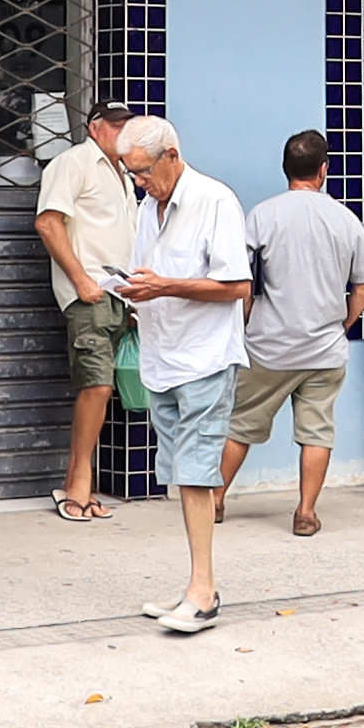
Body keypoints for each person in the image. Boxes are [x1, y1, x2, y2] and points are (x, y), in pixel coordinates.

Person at [108, 118, 248, 634]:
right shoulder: (148, 208)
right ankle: (195, 586)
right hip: (162, 357)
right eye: (131, 174)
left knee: (195, 473)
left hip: (205, 359)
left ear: (171, 154)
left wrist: (164, 287)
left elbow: (236, 285)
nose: (139, 182)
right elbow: (152, 275)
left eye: (143, 171)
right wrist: (134, 288)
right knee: (181, 475)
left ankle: (203, 592)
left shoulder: (214, 201)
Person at [218, 130, 364, 538]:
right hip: (324, 351)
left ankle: (216, 500)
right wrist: (343, 324)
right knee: (317, 430)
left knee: (240, 424)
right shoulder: (346, 219)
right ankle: (305, 511)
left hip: (269, 347)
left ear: (286, 169)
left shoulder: (263, 215)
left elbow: (240, 278)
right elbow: (363, 286)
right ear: (324, 170)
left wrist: (249, 317)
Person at [33, 100, 138, 525]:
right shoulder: (73, 162)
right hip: (90, 293)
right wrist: (80, 281)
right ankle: (78, 484)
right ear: (95, 128)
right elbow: (48, 222)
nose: (122, 133)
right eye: (115, 126)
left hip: (121, 295)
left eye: (127, 126)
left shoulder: (125, 174)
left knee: (107, 387)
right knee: (96, 385)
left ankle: (81, 482)